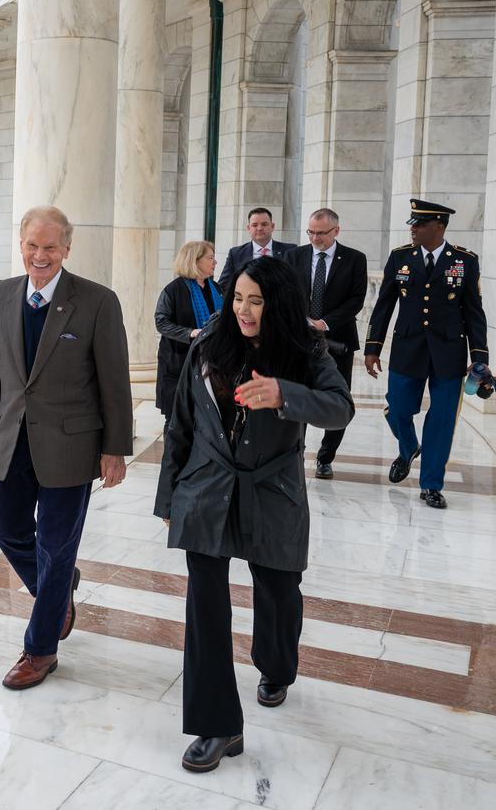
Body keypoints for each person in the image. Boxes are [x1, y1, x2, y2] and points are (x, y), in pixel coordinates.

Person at [154, 256, 354, 774]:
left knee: (279, 592)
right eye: (238, 297)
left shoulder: (305, 349)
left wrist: (285, 395)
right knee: (205, 609)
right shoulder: (208, 344)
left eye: (256, 301)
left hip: (273, 491)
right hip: (206, 488)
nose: (244, 310)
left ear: (277, 303)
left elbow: (340, 407)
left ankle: (277, 665)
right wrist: (169, 500)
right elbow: (181, 426)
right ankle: (218, 725)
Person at [0, 205, 133, 691]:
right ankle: (56, 596)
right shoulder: (0, 297)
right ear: (20, 244)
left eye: (51, 247)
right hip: (12, 437)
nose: (40, 256)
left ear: (67, 248)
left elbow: (114, 381)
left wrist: (115, 449)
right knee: (4, 525)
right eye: (32, 246)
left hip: (71, 445)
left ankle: (40, 650)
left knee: (56, 546)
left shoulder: (98, 302)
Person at [364, 198, 488, 509]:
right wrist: (372, 347)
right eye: (413, 224)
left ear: (439, 226)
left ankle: (431, 485)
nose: (414, 229)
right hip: (408, 348)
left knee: (442, 420)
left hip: (449, 352)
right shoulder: (400, 258)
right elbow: (383, 307)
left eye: (420, 224)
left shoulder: (464, 261)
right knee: (398, 410)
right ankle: (408, 449)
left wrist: (480, 356)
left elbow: (474, 312)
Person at [283, 208, 367, 479]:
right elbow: (284, 291)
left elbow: (356, 299)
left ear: (336, 231)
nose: (315, 238)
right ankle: (295, 450)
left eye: (321, 233)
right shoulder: (294, 256)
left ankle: (326, 457)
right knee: (297, 395)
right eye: (311, 232)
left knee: (337, 398)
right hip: (298, 340)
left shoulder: (355, 259)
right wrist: (303, 319)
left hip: (338, 341)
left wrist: (325, 322)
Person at [154, 241, 222, 426]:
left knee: (206, 419)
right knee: (177, 419)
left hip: (210, 364)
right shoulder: (173, 290)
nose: (215, 262)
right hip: (179, 364)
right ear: (195, 261)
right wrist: (191, 333)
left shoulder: (216, 289)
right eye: (210, 258)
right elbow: (161, 322)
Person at [217, 207, 297, 292]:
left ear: (272, 226)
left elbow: (298, 282)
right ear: (248, 228)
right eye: (255, 225)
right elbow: (224, 285)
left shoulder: (290, 251)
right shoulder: (235, 254)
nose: (259, 228)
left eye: (264, 224)